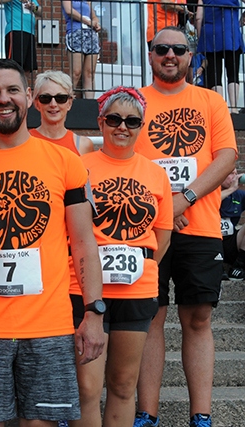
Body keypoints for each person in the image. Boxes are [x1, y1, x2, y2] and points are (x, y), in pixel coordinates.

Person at [0, 58, 105, 426]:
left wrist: (93, 311)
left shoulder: (66, 163)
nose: (3, 99)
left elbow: (83, 241)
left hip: (49, 324)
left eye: (12, 90)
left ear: (28, 96)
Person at [134, 27, 237, 427]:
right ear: (151, 54)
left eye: (179, 49)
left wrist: (185, 199)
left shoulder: (211, 101)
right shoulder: (137, 101)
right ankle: (147, 413)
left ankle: (202, 415)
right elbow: (126, 157)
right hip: (148, 229)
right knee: (150, 317)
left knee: (198, 319)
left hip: (201, 227)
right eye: (162, 49)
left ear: (190, 56)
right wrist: (163, 206)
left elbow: (226, 157)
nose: (170, 55)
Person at [69, 87, 173, 427]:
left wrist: (145, 264)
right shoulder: (78, 168)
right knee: (87, 387)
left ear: (141, 126)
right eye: (114, 119)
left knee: (125, 385)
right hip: (85, 289)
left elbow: (163, 232)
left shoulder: (156, 173)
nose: (122, 127)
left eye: (131, 121)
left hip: (137, 289)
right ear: (101, 123)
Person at [30, 70, 95, 155]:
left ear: (69, 103)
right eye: (45, 98)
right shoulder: (24, 140)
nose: (53, 104)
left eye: (60, 98)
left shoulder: (83, 145)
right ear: (37, 103)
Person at [196, 0, 244, 113]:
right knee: (233, 73)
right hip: (230, 31)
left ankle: (220, 108)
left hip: (210, 34)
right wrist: (242, 19)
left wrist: (200, 37)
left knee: (215, 74)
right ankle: (234, 107)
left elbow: (198, 17)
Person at [0, 0, 42, 77]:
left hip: (30, 33)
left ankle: (21, 87)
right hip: (16, 30)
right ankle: (11, 86)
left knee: (28, 67)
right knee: (13, 65)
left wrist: (34, 7)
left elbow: (40, 12)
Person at [62, 0, 100, 99]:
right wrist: (87, 21)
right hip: (75, 32)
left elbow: (94, 16)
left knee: (90, 73)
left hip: (91, 34)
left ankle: (90, 103)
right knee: (76, 72)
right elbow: (69, 10)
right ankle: (67, 99)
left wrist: (96, 22)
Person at [220, 168, 245, 280]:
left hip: (231, 241)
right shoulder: (209, 193)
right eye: (230, 174)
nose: (234, 177)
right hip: (209, 241)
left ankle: (239, 265)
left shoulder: (238, 195)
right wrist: (232, 188)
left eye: (236, 174)